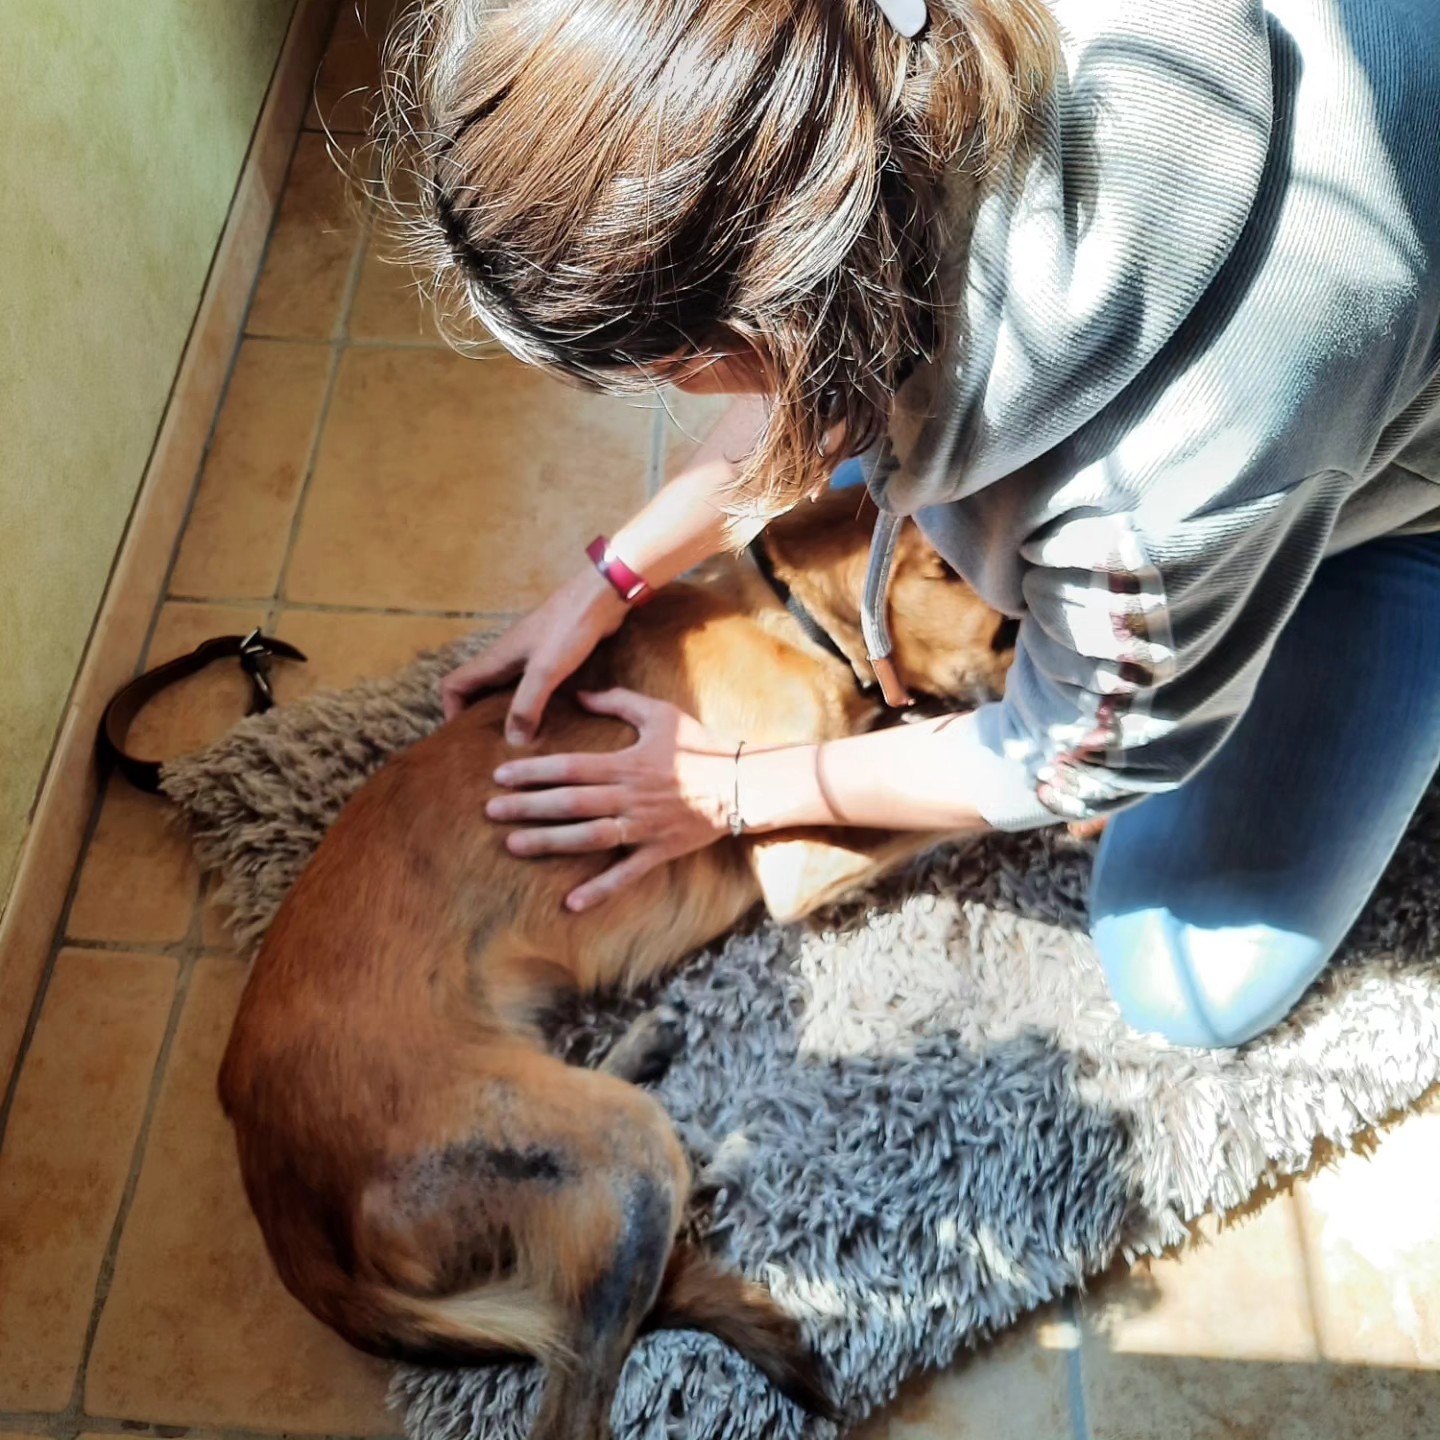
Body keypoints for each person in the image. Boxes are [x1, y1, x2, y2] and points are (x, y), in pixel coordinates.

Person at [376, 0, 1440, 1048]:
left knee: (1182, 977)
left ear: (778, 326)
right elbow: (816, 395)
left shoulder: (1143, 514)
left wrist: (734, 789)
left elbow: (1067, 757)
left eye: (660, 371)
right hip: (1308, 337)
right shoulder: (877, 52)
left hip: (1388, 495)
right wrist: (609, 577)